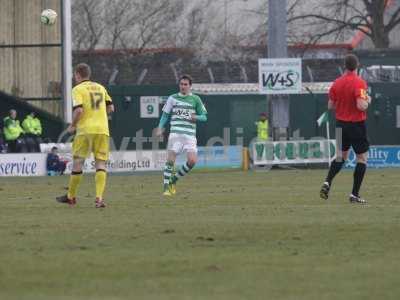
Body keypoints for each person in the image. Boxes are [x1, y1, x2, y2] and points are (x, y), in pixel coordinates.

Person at [56, 63, 114, 208]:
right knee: (100, 163)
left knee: (78, 163)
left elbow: (79, 111)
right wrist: (99, 116)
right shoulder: (101, 87)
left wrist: (73, 125)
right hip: (102, 129)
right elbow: (111, 107)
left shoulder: (77, 89)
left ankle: (71, 197)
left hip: (85, 130)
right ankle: (99, 198)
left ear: (77, 74)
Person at [320, 54, 371, 204]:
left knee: (340, 156)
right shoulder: (359, 82)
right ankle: (354, 194)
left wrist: (343, 105)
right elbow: (361, 105)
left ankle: (327, 182)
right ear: (357, 65)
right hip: (356, 124)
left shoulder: (336, 83)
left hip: (340, 124)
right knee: (362, 158)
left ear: (344, 65)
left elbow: (330, 105)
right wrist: (368, 100)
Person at [155, 74, 207, 196]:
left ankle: (173, 180)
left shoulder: (196, 99)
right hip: (175, 134)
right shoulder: (172, 98)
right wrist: (160, 127)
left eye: (185, 84)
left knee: (192, 161)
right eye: (181, 84)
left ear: (190, 86)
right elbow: (165, 115)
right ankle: (166, 188)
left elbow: (204, 117)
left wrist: (196, 117)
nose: (183, 86)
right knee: (170, 160)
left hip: (189, 136)